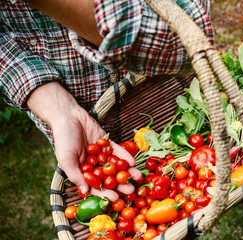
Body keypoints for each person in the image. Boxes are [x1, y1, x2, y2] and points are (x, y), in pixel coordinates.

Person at [0, 0, 214, 195]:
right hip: (76, 123)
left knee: (187, 189)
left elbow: (191, 40)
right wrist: (58, 108)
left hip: (164, 95)